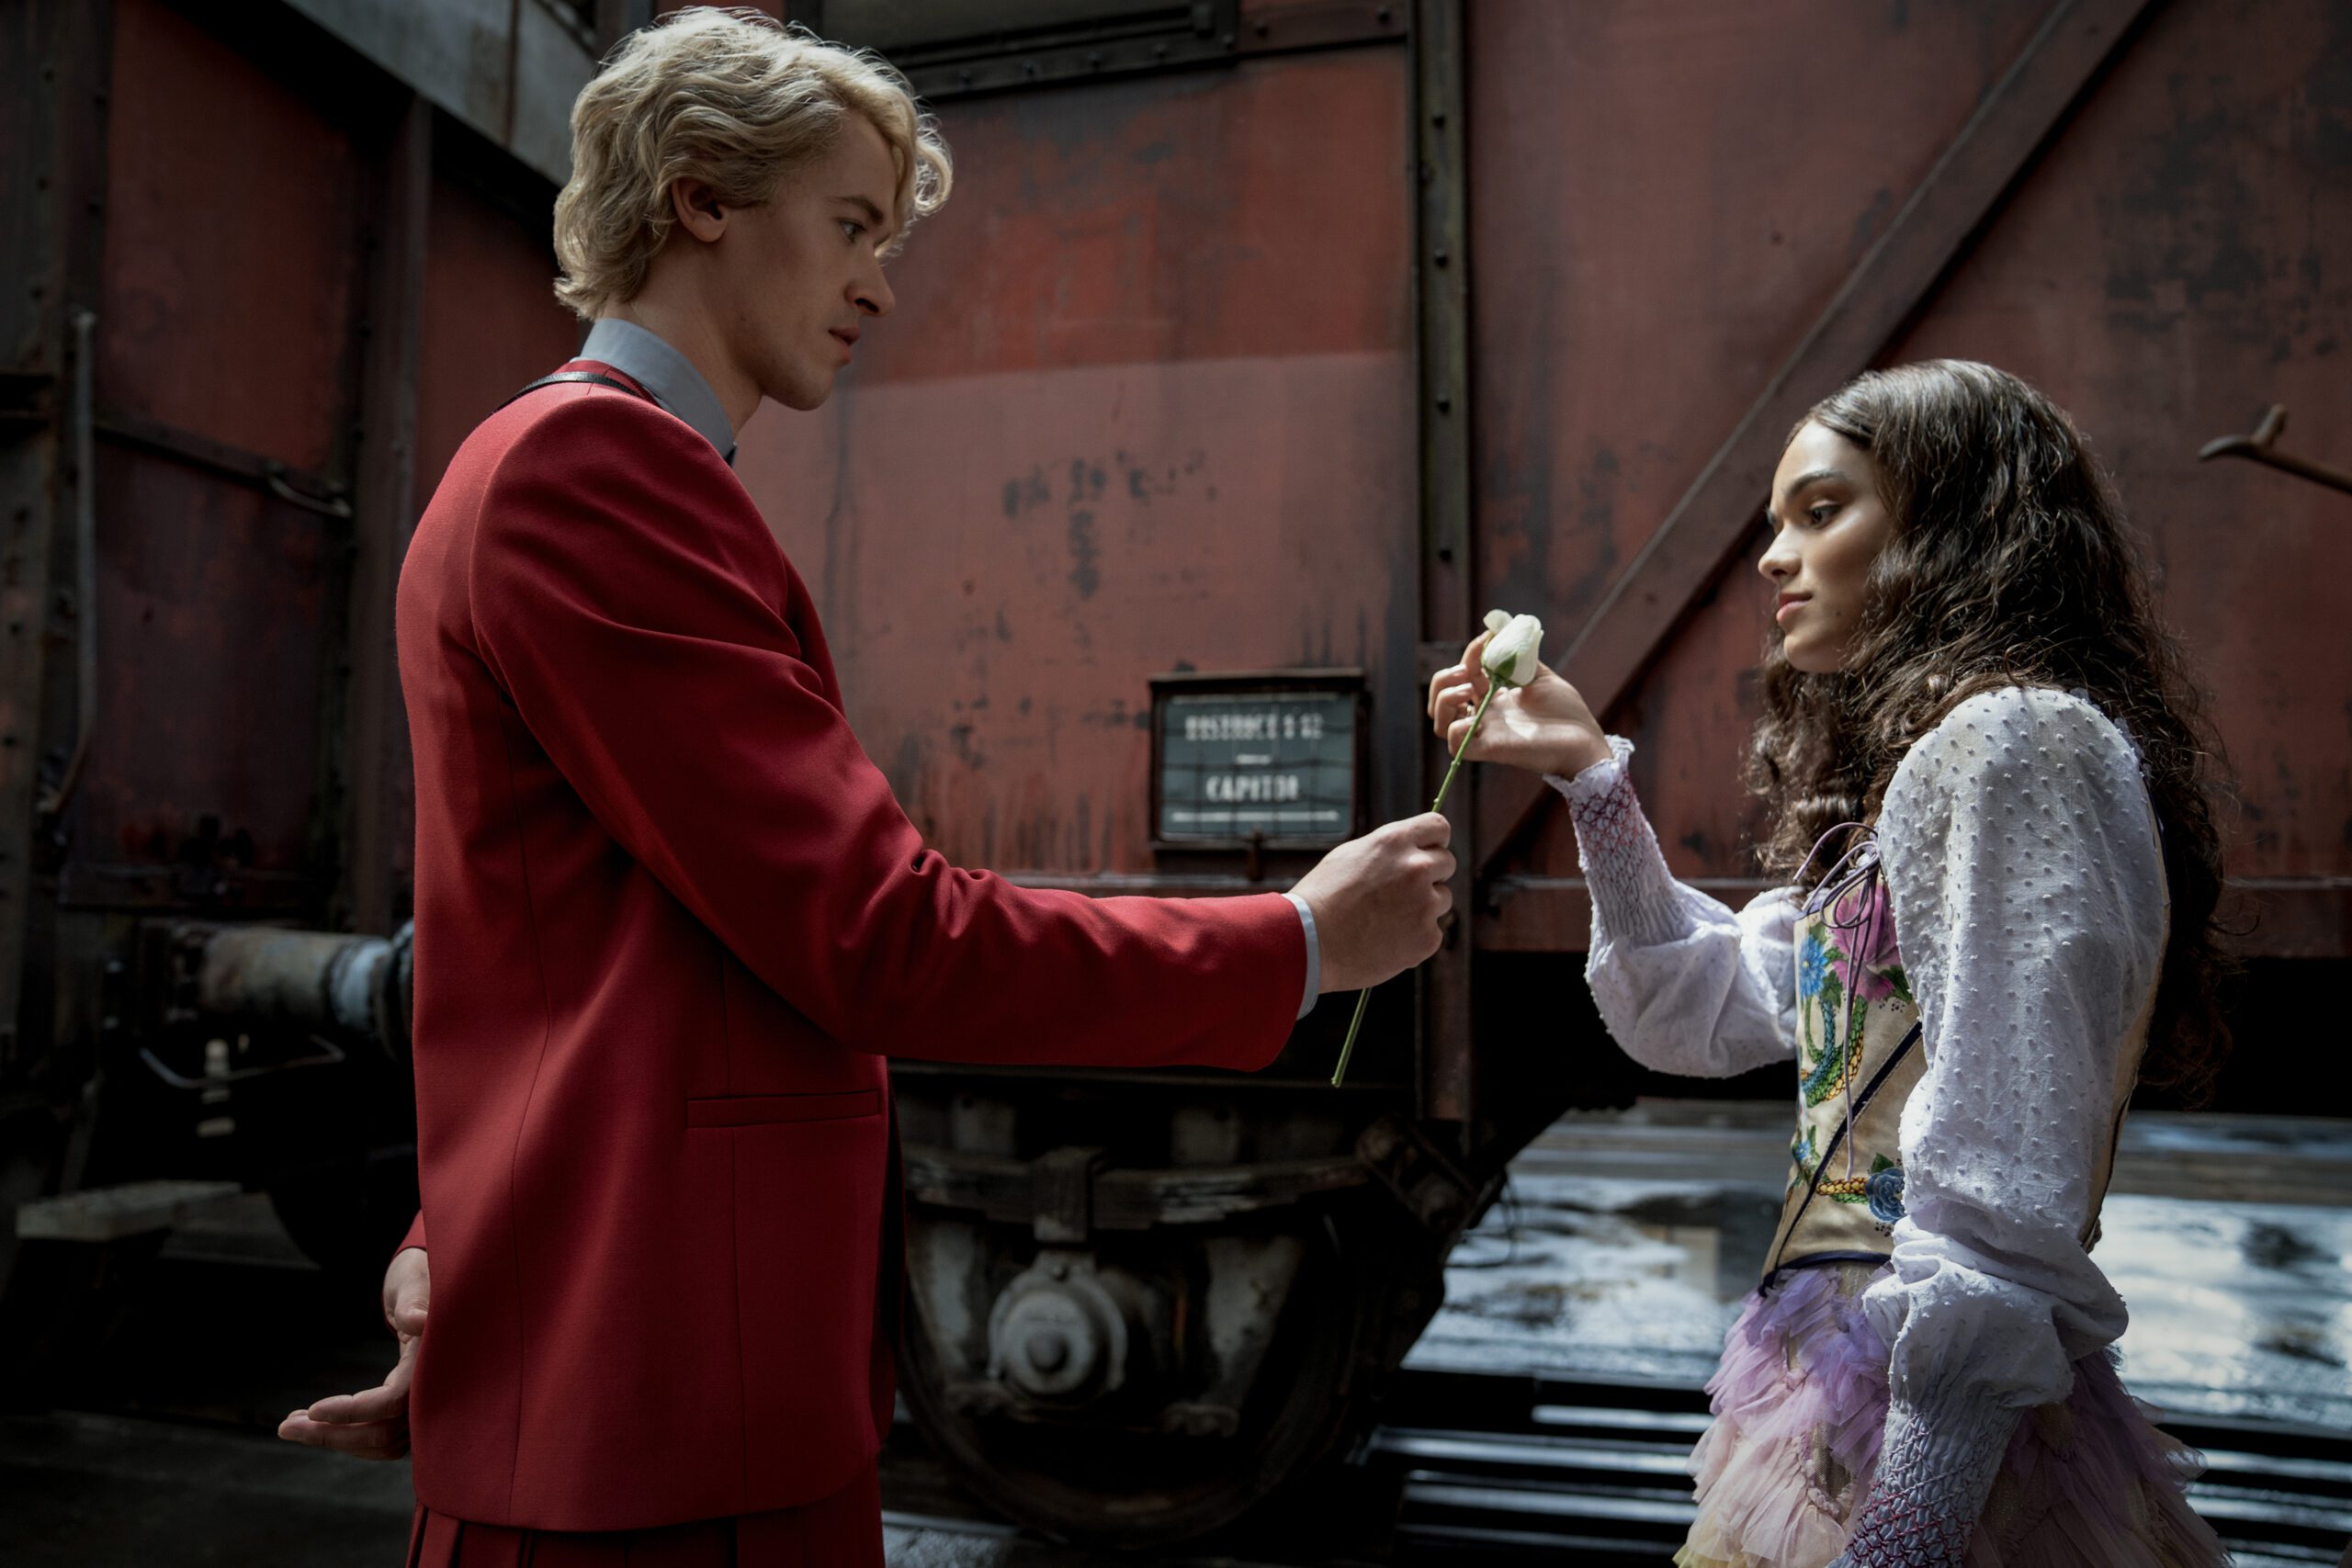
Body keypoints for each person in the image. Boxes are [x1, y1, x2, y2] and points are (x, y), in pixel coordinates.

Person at [274, 12, 1454, 1563]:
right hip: (669, 1431)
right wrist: (1298, 944)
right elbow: (878, 938)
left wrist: (461, 1240)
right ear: (702, 196)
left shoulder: (566, 470)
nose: (879, 285)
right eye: (849, 226)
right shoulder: (597, 477)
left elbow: (538, 954)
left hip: (643, 1390)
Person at [1429, 360, 2233, 1566]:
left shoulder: (2014, 745)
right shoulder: (1944, 766)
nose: (1771, 557)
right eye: (1775, 522)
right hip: (1854, 1389)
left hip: (1934, 1433)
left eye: (1820, 510)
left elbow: (2004, 1195)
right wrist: (1591, 783)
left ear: (1952, 527)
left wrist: (1902, 1539)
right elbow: (1703, 1011)